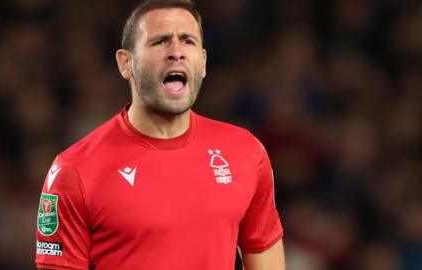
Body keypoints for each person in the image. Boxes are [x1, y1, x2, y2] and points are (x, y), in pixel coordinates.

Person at [35, 0, 285, 269]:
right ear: (125, 63)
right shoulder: (74, 171)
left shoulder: (246, 152)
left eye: (187, 41)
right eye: (160, 41)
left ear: (202, 62)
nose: (176, 52)